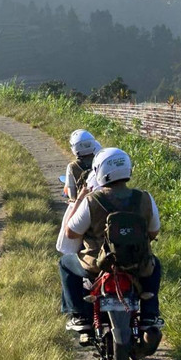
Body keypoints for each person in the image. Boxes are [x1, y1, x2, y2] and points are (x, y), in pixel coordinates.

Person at [60, 147, 163, 341]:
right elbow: (153, 231)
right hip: (137, 262)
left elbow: (71, 232)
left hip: (98, 263)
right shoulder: (145, 198)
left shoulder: (92, 200)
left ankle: (79, 316)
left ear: (99, 171)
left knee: (65, 264)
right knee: (155, 264)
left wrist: (79, 199)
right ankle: (149, 314)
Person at [64, 129, 100, 203]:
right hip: (101, 201)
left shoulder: (72, 166)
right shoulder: (100, 161)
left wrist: (72, 199)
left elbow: (72, 194)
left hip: (82, 203)